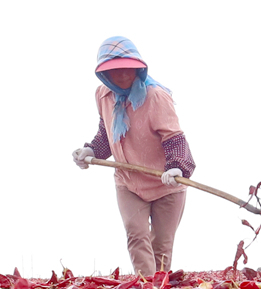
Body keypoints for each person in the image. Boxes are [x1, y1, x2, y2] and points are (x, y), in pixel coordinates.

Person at [73, 36, 196, 276]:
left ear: (138, 68)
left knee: (161, 245)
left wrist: (177, 167)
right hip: (128, 182)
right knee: (136, 235)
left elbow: (174, 136)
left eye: (128, 69)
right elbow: (107, 133)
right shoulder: (103, 95)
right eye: (115, 70)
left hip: (166, 184)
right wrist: (92, 150)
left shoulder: (156, 96)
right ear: (104, 75)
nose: (122, 75)